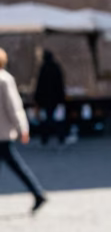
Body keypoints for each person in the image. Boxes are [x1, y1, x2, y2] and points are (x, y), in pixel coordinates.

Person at [0, 50, 47, 213]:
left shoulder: (4, 80)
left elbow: (14, 107)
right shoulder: (5, 79)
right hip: (3, 132)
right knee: (16, 166)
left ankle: (38, 193)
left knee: (17, 166)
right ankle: (38, 193)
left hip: (3, 133)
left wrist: (22, 128)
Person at [34, 49, 67, 146]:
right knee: (56, 118)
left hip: (46, 99)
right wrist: (61, 98)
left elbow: (40, 84)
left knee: (48, 119)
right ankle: (60, 136)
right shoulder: (56, 67)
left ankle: (45, 137)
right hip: (55, 98)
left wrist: (37, 98)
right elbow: (60, 84)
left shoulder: (44, 68)